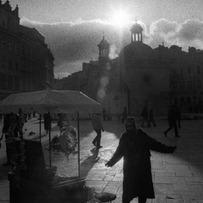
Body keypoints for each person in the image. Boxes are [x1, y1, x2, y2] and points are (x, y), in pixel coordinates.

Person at [105, 117, 177, 203]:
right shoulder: (124, 137)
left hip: (142, 168)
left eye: (131, 126)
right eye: (128, 126)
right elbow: (119, 151)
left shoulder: (141, 135)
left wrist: (168, 149)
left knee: (142, 192)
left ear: (134, 126)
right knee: (127, 193)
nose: (130, 128)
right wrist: (112, 161)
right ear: (126, 127)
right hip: (130, 169)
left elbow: (154, 144)